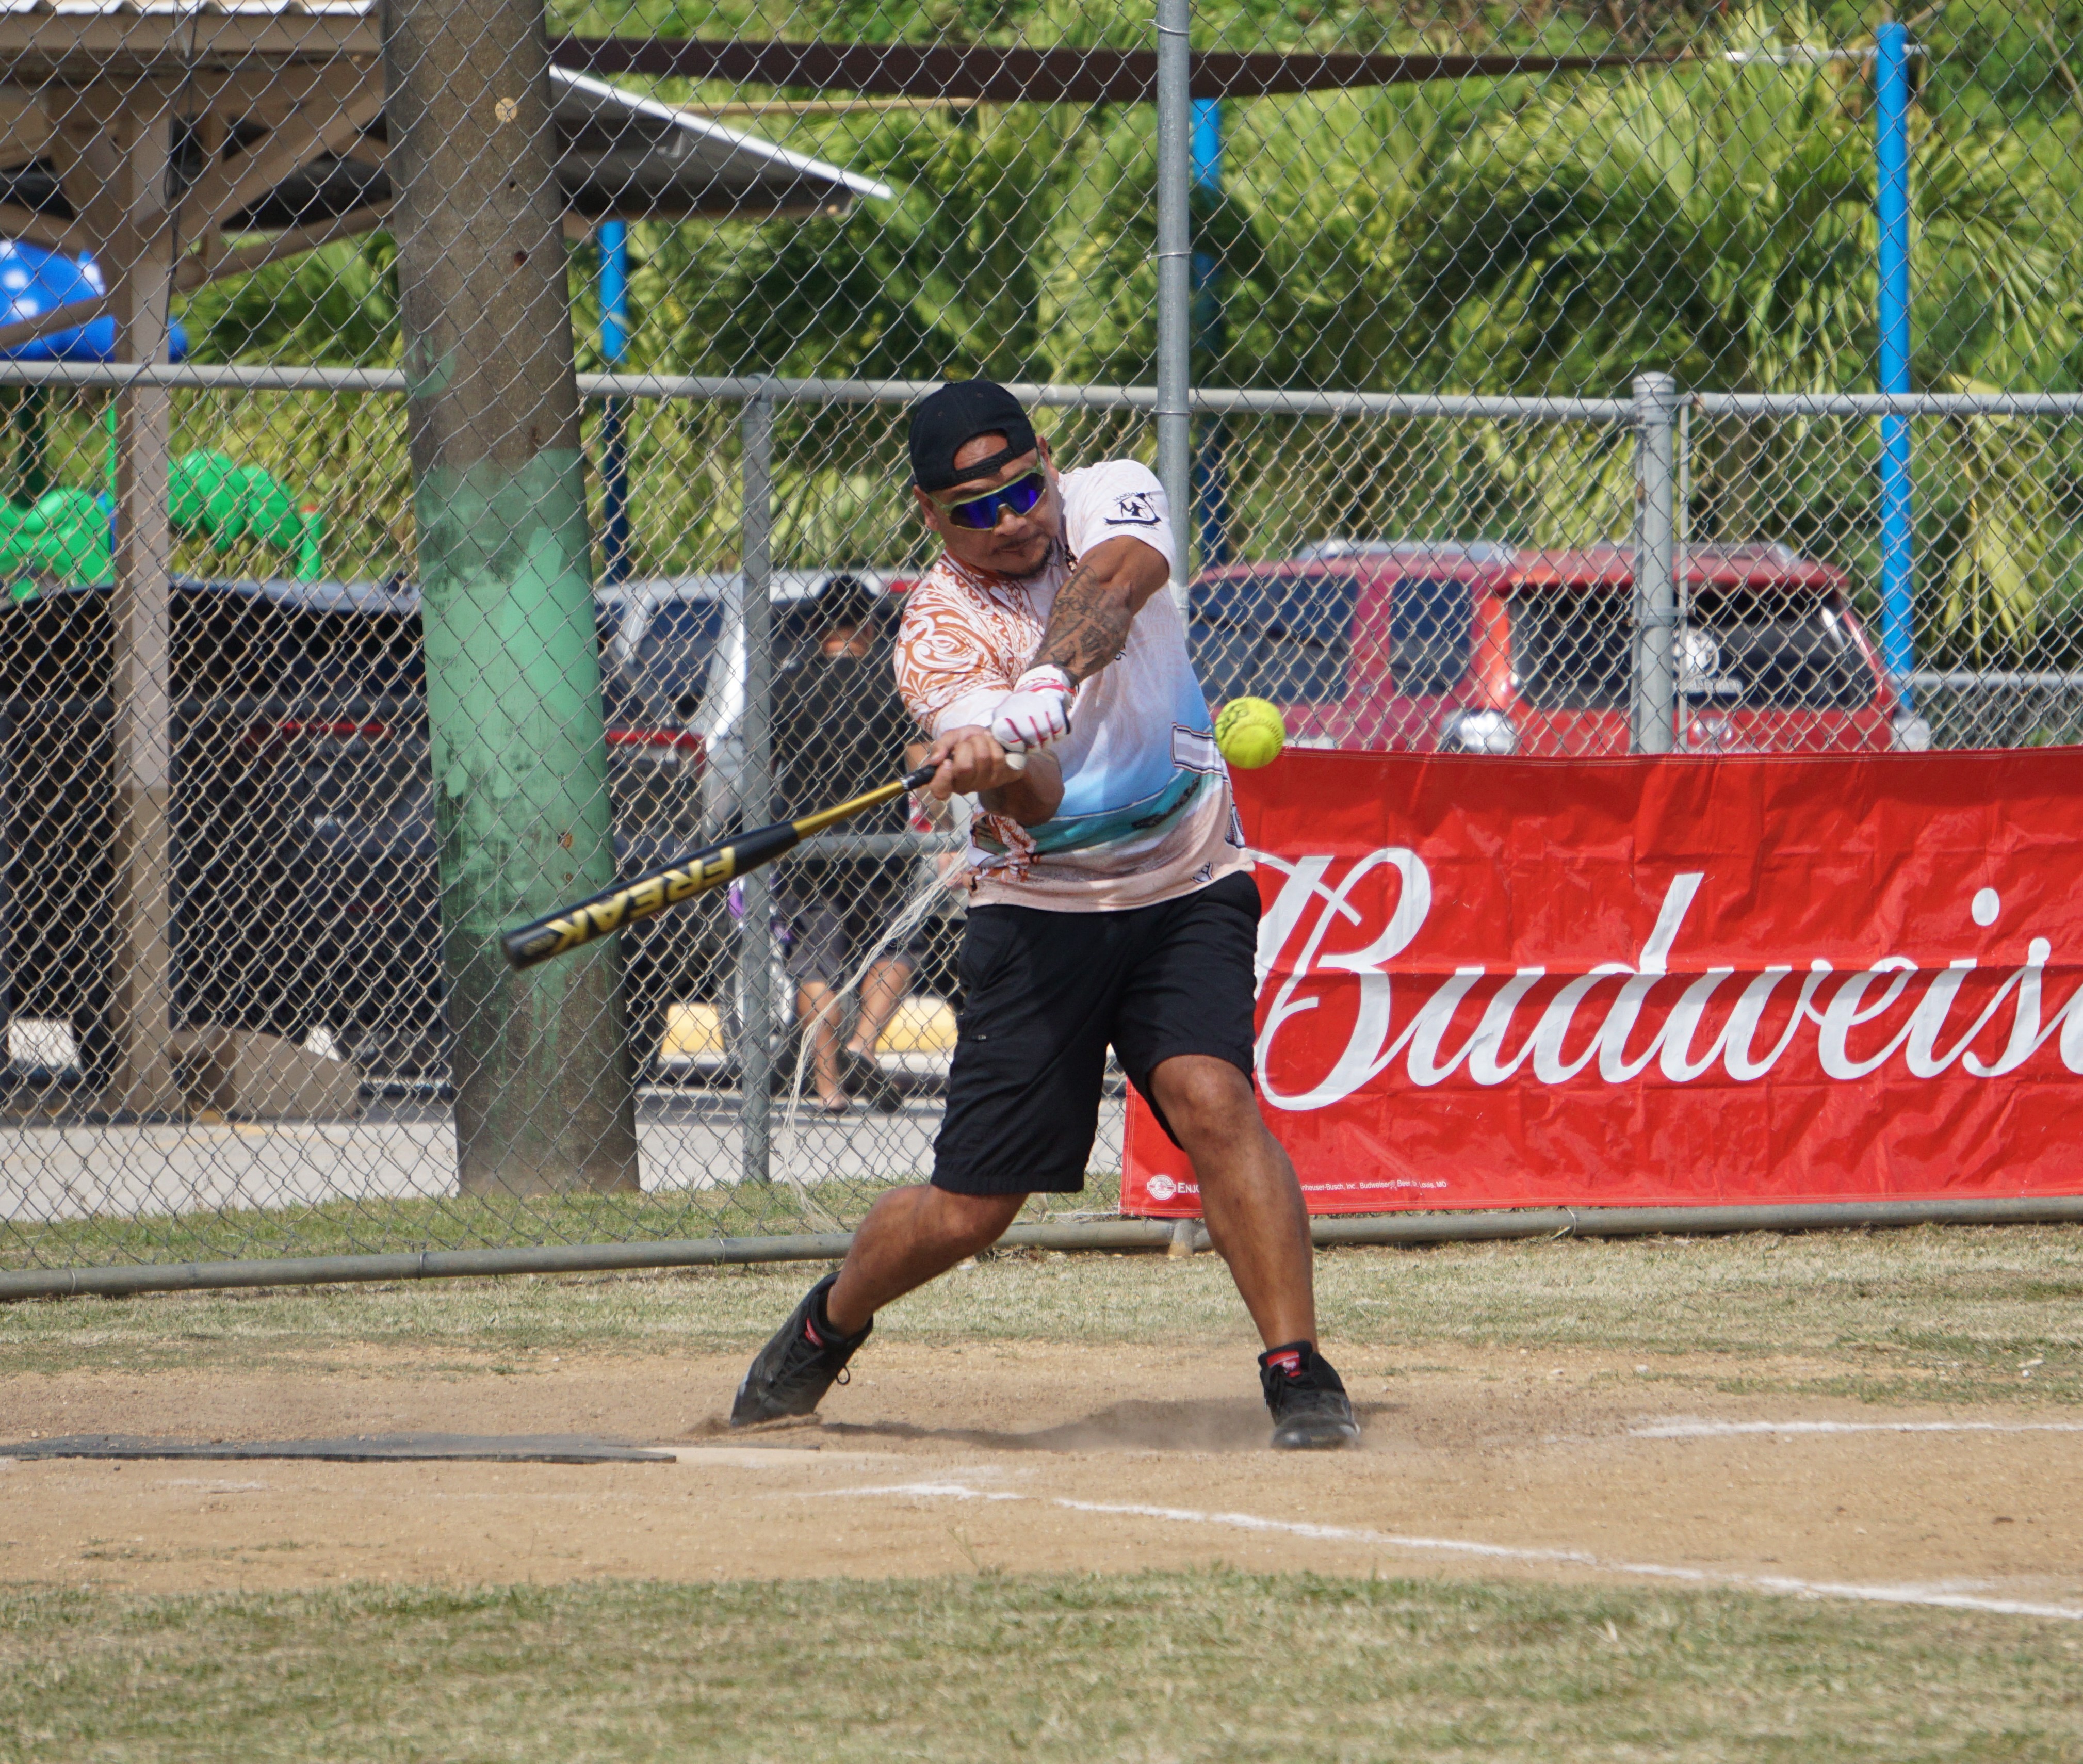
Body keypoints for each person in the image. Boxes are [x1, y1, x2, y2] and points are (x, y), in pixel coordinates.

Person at [730, 378, 1358, 1450]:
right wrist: (994, 761)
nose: (1010, 520)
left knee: (1212, 1099)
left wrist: (1046, 682)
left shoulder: (1113, 492)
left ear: (1049, 462)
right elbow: (1041, 803)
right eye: (973, 509)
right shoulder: (933, 635)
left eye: (1021, 490)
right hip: (1039, 911)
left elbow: (1118, 585)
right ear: (928, 514)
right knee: (974, 1208)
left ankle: (1298, 1367)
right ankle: (826, 1322)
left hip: (1188, 877)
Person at [770, 574, 926, 1113]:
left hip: (807, 839)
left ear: (818, 628)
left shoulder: (788, 686)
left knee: (816, 959)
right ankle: (863, 1043)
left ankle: (828, 1086)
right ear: (869, 626)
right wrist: (940, 819)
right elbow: (919, 761)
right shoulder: (891, 683)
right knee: (895, 944)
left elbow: (763, 767)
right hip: (880, 840)